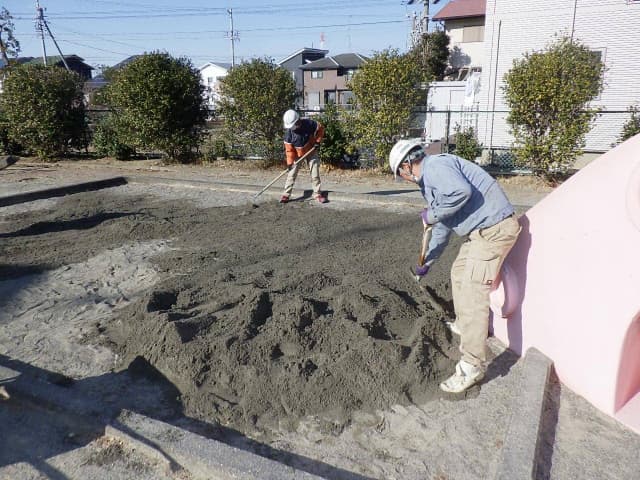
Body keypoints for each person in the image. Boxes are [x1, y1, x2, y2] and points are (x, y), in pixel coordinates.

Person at [389, 138, 521, 393]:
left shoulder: (435, 167)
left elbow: (461, 193)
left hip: (494, 229)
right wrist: (427, 262)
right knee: (458, 272)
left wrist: (432, 214)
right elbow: (441, 227)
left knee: (473, 291)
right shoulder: (429, 184)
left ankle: (472, 364)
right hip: (478, 233)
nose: (402, 178)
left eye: (399, 174)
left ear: (406, 165)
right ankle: (465, 324)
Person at [280, 109, 327, 204]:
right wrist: (290, 163)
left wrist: (318, 141)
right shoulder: (289, 134)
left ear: (298, 121)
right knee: (291, 174)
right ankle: (286, 194)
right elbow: (289, 151)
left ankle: (317, 194)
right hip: (297, 154)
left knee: (315, 174)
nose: (292, 128)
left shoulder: (309, 124)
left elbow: (321, 129)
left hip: (311, 150)